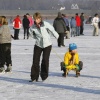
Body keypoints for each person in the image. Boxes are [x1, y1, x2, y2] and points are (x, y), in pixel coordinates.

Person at [29, 12, 59, 82]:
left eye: (39, 18)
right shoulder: (32, 27)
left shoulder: (45, 24)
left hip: (47, 45)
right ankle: (34, 77)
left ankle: (44, 75)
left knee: (45, 60)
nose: (37, 20)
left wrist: (57, 36)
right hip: (38, 45)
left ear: (40, 18)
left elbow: (52, 30)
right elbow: (31, 34)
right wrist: (36, 38)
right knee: (35, 61)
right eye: (36, 19)